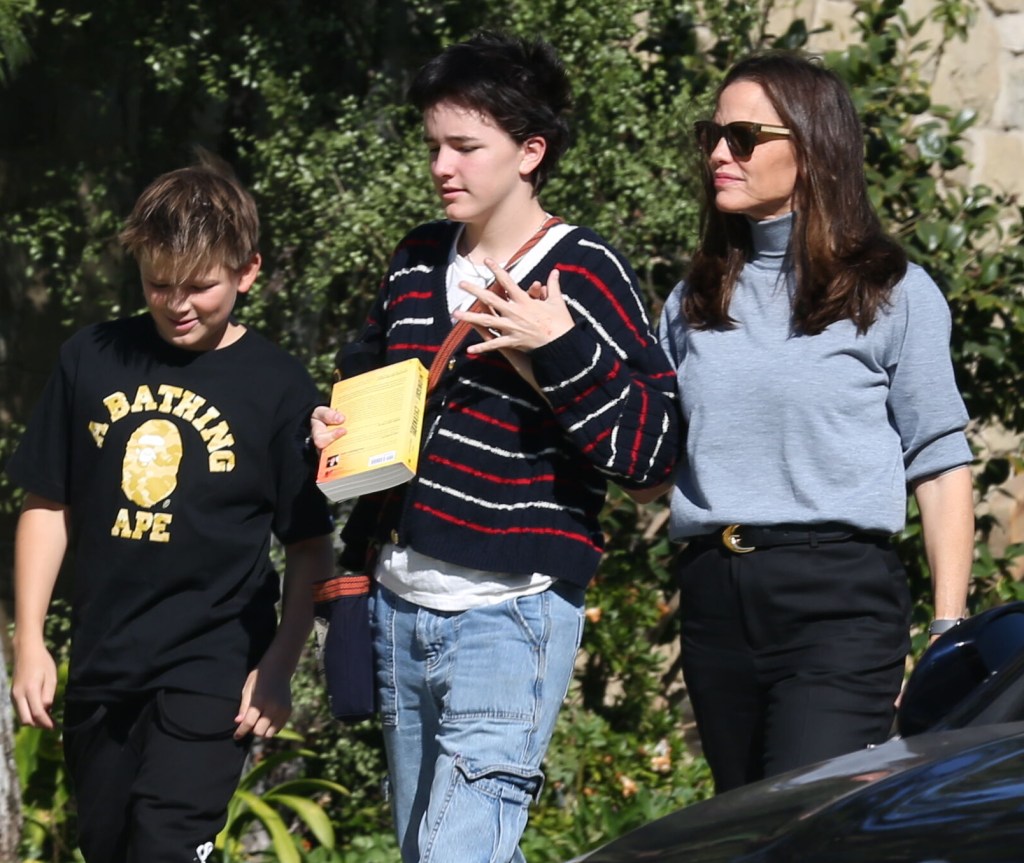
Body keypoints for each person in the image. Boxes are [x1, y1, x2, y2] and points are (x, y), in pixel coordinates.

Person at [312, 31, 681, 863]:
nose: (443, 165)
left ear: (530, 151)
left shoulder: (583, 272)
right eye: (434, 146)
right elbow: (359, 383)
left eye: (466, 146)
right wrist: (327, 427)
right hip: (399, 604)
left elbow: (653, 458)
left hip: (509, 614)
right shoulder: (414, 262)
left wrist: (556, 345)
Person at [647, 51, 974, 793]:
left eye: (742, 136)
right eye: (711, 134)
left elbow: (939, 457)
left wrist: (948, 628)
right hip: (713, 597)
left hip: (836, 598)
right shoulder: (692, 298)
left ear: (812, 145)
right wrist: (551, 357)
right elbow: (649, 476)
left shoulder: (891, 291)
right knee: (749, 823)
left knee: (807, 818)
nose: (718, 154)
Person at [7, 153, 335, 862]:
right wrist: (30, 638)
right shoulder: (91, 358)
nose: (178, 303)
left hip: (213, 665)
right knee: (110, 844)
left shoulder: (278, 387)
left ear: (247, 271)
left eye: (200, 286)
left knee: (164, 844)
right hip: (104, 659)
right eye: (159, 284)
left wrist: (279, 663)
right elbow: (47, 502)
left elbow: (310, 545)